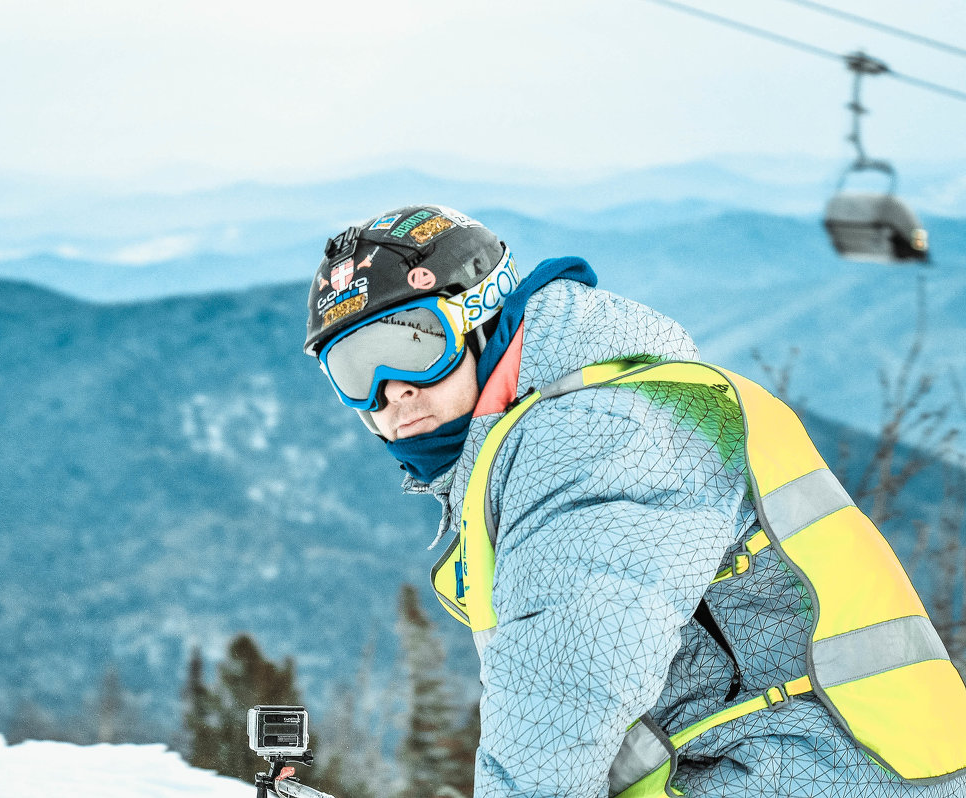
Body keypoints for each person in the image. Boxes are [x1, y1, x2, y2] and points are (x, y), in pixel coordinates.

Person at [302, 205, 966, 798]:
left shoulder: (598, 433)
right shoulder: (537, 429)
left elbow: (563, 705)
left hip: (817, 771)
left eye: (411, 347)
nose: (392, 395)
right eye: (355, 373)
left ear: (478, 314)